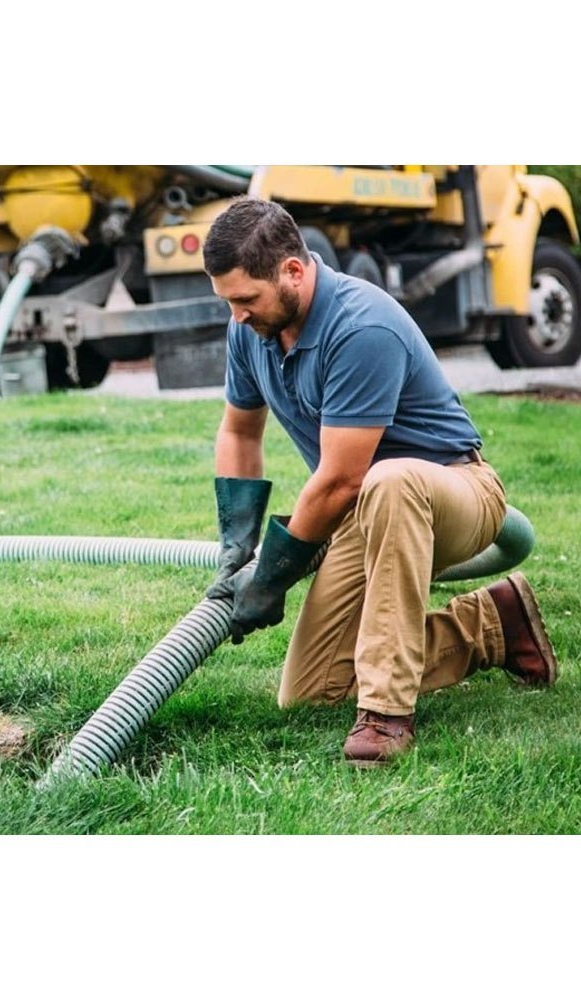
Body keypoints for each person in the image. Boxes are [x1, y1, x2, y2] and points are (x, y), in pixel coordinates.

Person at [201, 197, 557, 766]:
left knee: (387, 480)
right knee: (311, 692)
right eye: (229, 301)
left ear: (293, 270)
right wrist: (238, 542)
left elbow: (342, 478)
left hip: (452, 491)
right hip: (364, 513)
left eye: (246, 299)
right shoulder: (250, 328)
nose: (237, 315)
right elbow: (240, 433)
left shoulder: (361, 325)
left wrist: (273, 575)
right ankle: (491, 625)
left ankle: (387, 714)